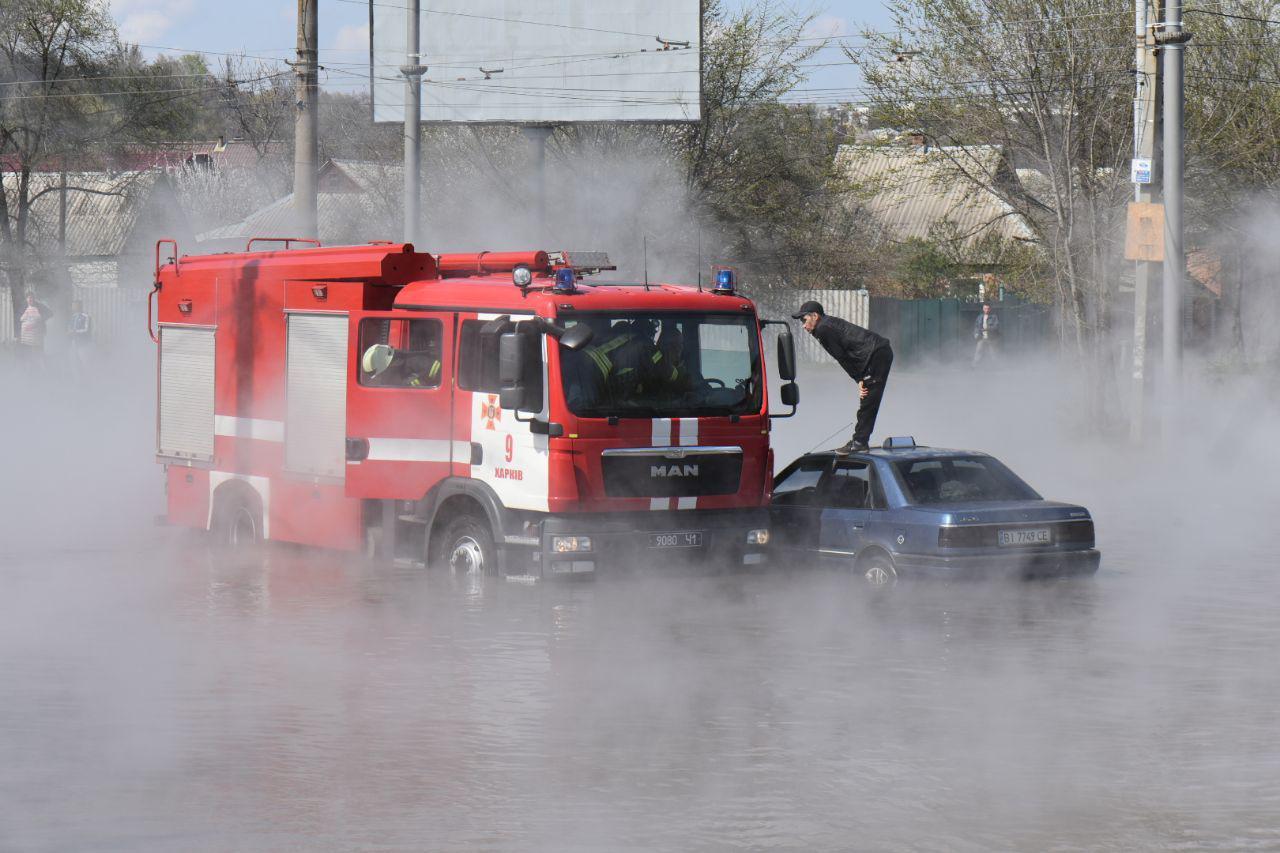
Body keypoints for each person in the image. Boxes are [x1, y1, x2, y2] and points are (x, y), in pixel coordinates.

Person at [793, 299, 893, 454]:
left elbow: (841, 357)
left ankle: (859, 441)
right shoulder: (825, 325)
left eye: (804, 320)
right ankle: (859, 439)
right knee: (868, 398)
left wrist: (859, 379)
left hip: (875, 354)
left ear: (815, 316)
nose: (804, 326)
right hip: (875, 353)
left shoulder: (823, 329)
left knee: (868, 399)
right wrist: (859, 378)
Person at [19, 292, 53, 368]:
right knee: (29, 352)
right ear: (26, 299)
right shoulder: (24, 306)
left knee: (38, 351)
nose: (31, 299)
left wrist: (40, 319)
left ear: (34, 298)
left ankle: (43, 369)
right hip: (27, 334)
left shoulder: (40, 306)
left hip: (38, 331)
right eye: (29, 298)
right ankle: (32, 370)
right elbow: (21, 318)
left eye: (32, 298)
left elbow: (50, 313)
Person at [67, 299, 93, 378]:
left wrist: (74, 332)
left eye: (74, 305)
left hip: (83, 344)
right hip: (74, 343)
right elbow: (70, 328)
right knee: (74, 363)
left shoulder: (86, 316)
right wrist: (69, 331)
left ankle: (89, 381)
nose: (73, 307)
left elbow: (86, 329)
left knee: (86, 363)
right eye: (72, 305)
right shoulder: (73, 317)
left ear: (79, 306)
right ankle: (78, 382)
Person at [972, 302, 1000, 367]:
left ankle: (996, 366)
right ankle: (974, 366)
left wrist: (987, 329)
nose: (986, 310)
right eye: (985, 308)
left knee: (993, 353)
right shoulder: (980, 317)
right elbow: (976, 326)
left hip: (991, 338)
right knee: (978, 351)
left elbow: (996, 327)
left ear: (990, 309)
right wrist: (975, 333)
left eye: (988, 309)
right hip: (982, 337)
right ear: (983, 309)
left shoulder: (994, 317)